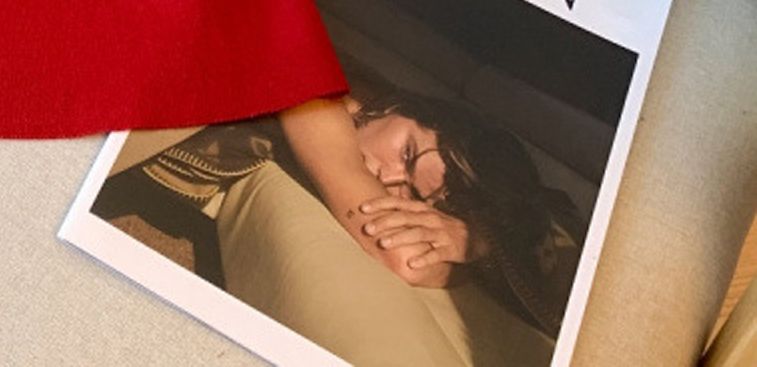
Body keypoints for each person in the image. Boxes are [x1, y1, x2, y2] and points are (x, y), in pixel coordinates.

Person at [92, 82, 580, 337]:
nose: (386, 177)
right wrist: (472, 242)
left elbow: (560, 243)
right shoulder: (319, 97)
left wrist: (479, 239)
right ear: (402, 107)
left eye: (413, 198)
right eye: (407, 153)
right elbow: (402, 255)